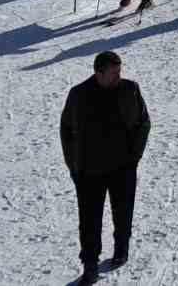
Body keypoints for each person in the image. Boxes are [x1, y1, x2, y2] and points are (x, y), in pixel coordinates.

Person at [61, 51, 151, 285]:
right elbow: (66, 131)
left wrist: (134, 157)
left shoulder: (130, 89)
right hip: (89, 171)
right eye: (113, 73)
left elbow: (143, 123)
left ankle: (122, 248)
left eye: (119, 71)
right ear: (98, 73)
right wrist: (74, 166)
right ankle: (90, 265)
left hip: (123, 167)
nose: (119, 76)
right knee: (89, 221)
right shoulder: (79, 95)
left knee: (123, 213)